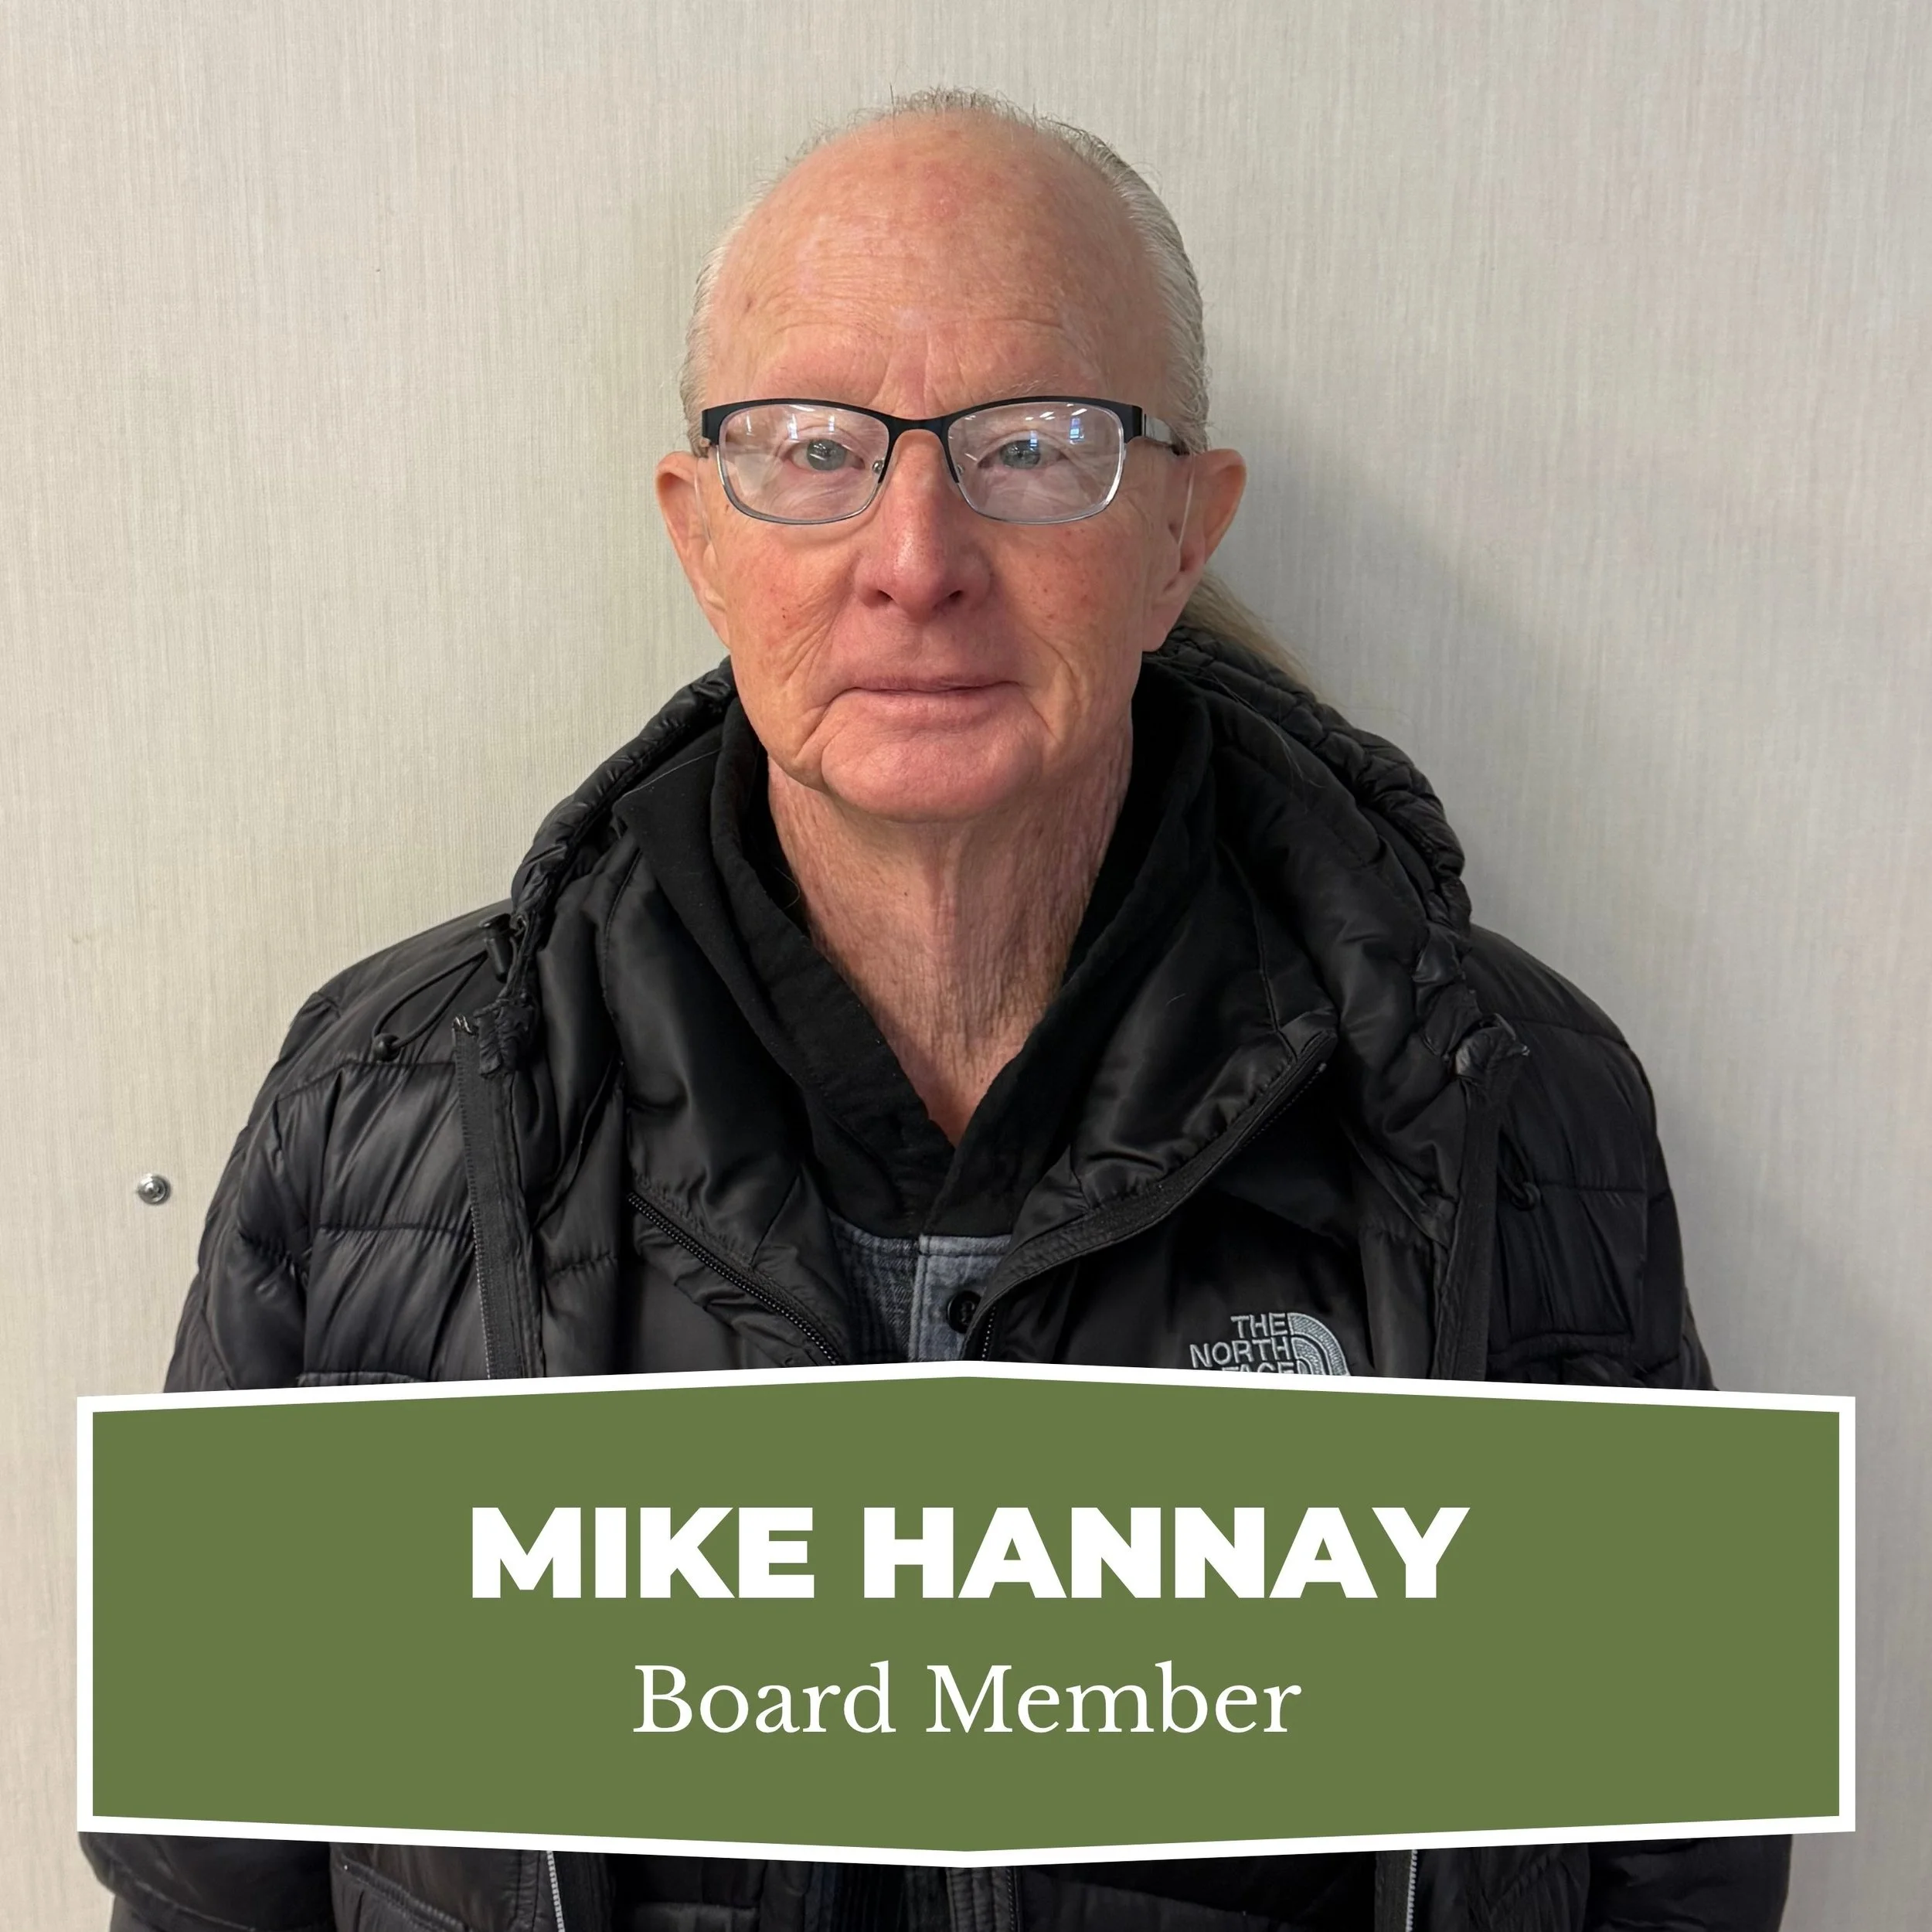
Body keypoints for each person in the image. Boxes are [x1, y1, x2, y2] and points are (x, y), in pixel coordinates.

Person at [83, 90, 1791, 1932]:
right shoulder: (384, 1108)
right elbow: (204, 1886)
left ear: (1183, 530)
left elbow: (1671, 1869)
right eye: (812, 448)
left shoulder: (1506, 1099)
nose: (914, 554)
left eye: (1032, 445)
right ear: (698, 535)